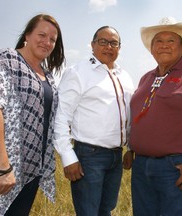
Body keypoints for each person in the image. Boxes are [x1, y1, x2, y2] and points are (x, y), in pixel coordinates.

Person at [123, 17, 182, 216]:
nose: (164, 45)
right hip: (141, 166)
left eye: (171, 41)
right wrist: (131, 148)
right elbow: (142, 114)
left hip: (175, 167)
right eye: (159, 41)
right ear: (152, 48)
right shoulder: (146, 77)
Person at [0, 14, 65, 216]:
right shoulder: (6, 60)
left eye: (52, 39)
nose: (47, 42)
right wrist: (3, 167)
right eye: (41, 35)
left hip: (30, 172)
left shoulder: (47, 75)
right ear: (27, 34)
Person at [54, 26, 134, 216]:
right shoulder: (78, 72)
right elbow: (61, 117)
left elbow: (128, 115)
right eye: (103, 42)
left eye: (114, 43)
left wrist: (130, 147)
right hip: (89, 156)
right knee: (88, 212)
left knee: (106, 210)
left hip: (116, 156)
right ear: (92, 45)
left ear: (119, 47)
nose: (108, 47)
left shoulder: (124, 75)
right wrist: (68, 158)